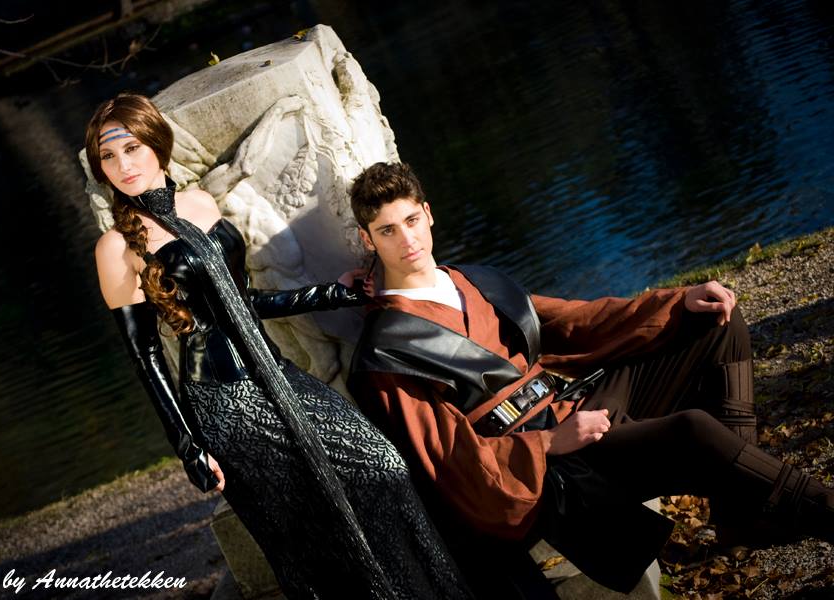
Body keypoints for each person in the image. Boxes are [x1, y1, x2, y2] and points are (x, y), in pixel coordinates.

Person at [347, 161, 834, 594]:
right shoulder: (389, 349)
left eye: (411, 221)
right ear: (369, 240)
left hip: (575, 407)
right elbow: (449, 458)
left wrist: (677, 300)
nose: (407, 240)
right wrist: (549, 444)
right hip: (547, 466)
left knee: (716, 321)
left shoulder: (473, 280)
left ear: (428, 214)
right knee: (693, 431)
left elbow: (575, 320)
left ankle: (741, 516)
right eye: (388, 230)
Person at [85, 94, 472, 600]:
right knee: (309, 533)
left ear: (157, 144)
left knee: (383, 466)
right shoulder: (115, 247)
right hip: (224, 405)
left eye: (131, 148)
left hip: (278, 373)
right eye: (108, 156)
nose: (123, 165)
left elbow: (243, 303)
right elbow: (145, 357)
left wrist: (330, 293)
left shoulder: (200, 204)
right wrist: (188, 446)